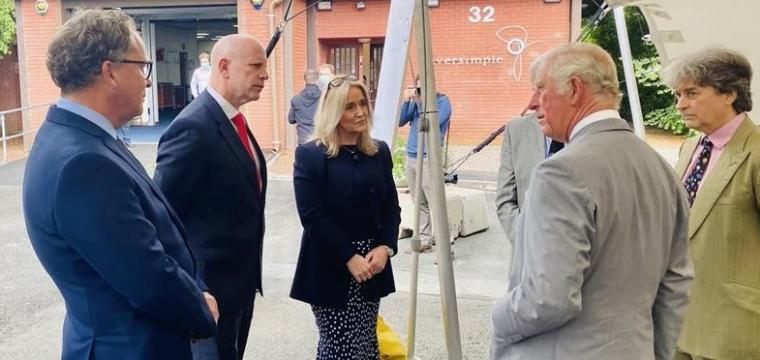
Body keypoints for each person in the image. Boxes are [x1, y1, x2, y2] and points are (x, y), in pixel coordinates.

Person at [22, 9, 218, 359]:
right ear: (109, 71)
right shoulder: (84, 162)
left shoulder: (78, 136)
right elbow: (146, 277)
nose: (147, 81)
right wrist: (200, 309)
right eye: (142, 67)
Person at [490, 43, 693, 360]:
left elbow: (547, 300)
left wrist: (499, 316)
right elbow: (676, 286)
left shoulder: (560, 172)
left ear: (574, 89)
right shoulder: (662, 170)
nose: (531, 104)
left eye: (540, 89)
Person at [154, 35, 268, 360]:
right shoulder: (192, 128)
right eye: (256, 66)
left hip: (241, 287)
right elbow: (160, 215)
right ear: (224, 67)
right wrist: (193, 285)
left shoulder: (234, 121)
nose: (265, 75)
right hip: (211, 294)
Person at [290, 75, 401, 359]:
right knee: (339, 348)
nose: (360, 111)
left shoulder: (378, 152)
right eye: (349, 106)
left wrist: (385, 247)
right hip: (330, 265)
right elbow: (312, 217)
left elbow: (391, 207)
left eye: (363, 103)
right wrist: (348, 257)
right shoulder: (311, 155)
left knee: (365, 344)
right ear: (334, 111)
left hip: (372, 265)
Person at [665, 48, 760, 360]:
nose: (680, 104)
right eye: (678, 94)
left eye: (692, 92)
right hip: (679, 325)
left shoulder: (756, 152)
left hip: (736, 333)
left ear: (729, 93)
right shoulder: (689, 147)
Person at [398, 80, 451, 252]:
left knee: (435, 201)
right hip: (412, 155)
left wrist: (422, 101)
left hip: (429, 156)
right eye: (417, 87)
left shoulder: (442, 102)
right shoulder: (415, 102)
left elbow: (431, 123)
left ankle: (446, 245)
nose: (419, 90)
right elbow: (400, 121)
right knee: (418, 200)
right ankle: (425, 239)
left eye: (423, 87)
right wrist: (407, 101)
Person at [495, 112, 563, 243]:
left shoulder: (591, 130)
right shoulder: (516, 130)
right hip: (529, 252)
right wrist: (525, 240)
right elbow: (505, 200)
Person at [288, 69, 321, 145]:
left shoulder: (296, 99)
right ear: (318, 80)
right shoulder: (325, 98)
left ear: (305, 80)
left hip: (303, 139)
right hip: (320, 138)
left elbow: (291, 120)